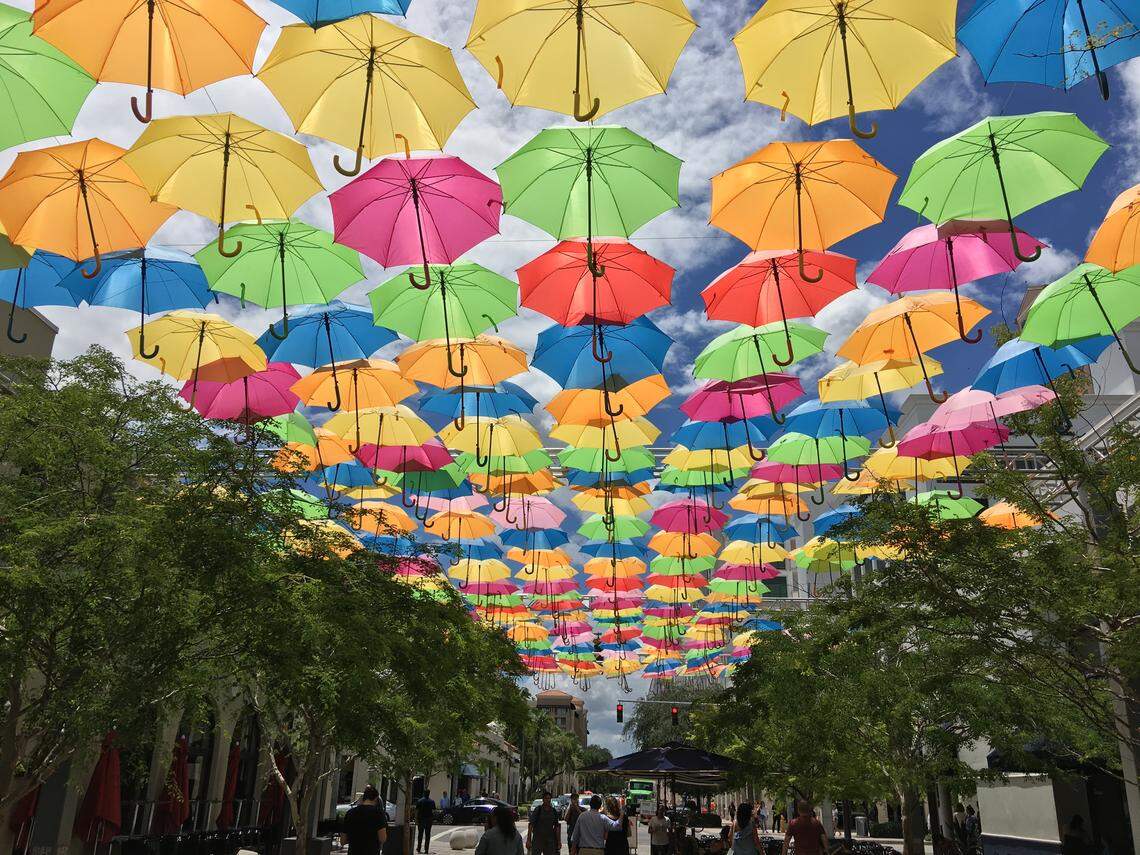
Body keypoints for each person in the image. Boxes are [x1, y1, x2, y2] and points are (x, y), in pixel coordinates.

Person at [342, 785, 389, 855]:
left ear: (363, 798)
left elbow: (342, 841)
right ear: (376, 799)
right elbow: (382, 838)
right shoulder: (378, 814)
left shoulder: (350, 813)